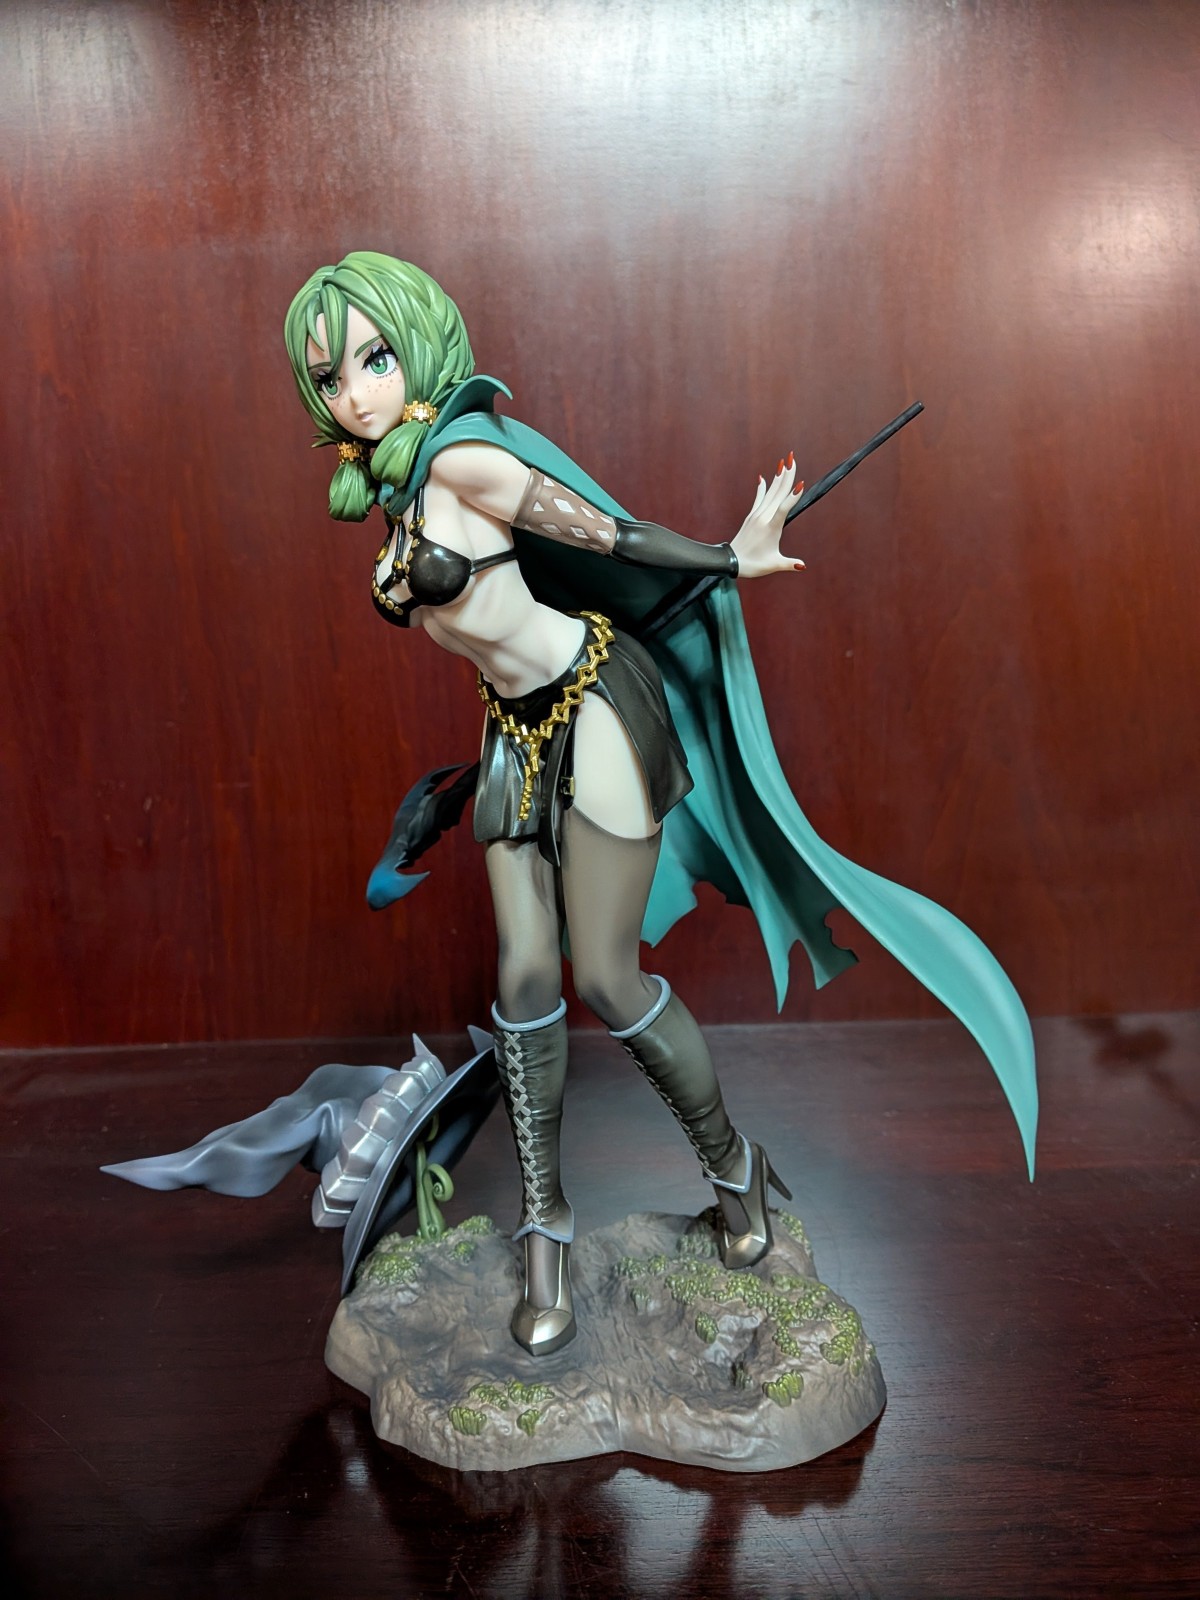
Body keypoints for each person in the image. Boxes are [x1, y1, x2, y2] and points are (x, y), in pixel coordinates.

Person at [283, 252, 1037, 1358]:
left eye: (375, 359)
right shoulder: (397, 492)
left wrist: (730, 558)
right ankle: (544, 1231)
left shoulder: (466, 459)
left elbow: (605, 534)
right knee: (522, 980)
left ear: (420, 346)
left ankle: (736, 1169)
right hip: (512, 731)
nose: (355, 391)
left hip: (592, 700)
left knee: (603, 974)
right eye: (331, 375)